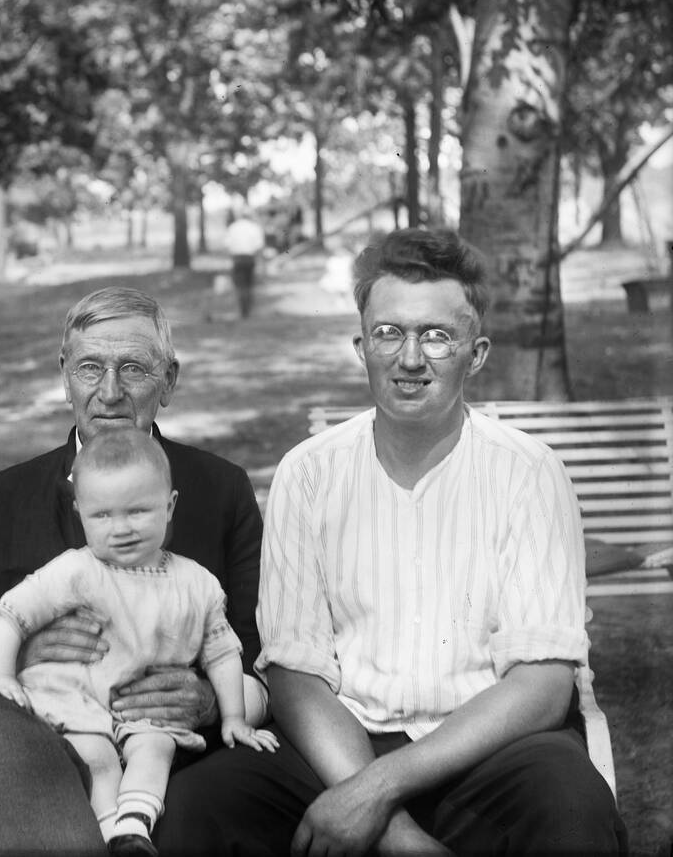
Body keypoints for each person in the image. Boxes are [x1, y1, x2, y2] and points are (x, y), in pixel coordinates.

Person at [160, 228, 627, 855]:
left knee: (572, 807)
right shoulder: (309, 472)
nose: (410, 359)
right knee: (200, 806)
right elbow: (296, 671)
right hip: (340, 743)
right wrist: (394, 831)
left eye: (436, 335)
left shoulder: (528, 471)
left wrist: (376, 796)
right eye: (389, 333)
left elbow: (542, 686)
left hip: (492, 744)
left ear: (477, 352)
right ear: (362, 346)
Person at [0, 286, 266, 855]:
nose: (109, 392)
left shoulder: (221, 490)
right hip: (30, 744)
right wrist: (14, 665)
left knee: (207, 805)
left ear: (169, 381)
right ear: (64, 376)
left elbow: (255, 653)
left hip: (169, 755)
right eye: (89, 368)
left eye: (133, 368)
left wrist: (207, 700)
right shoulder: (4, 496)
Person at [0, 430, 278, 855]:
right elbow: (10, 615)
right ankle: (108, 831)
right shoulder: (74, 571)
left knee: (156, 747)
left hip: (147, 713)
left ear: (170, 506)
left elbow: (222, 651)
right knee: (97, 758)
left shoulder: (196, 583)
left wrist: (233, 716)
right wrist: (0, 676)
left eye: (138, 511)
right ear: (79, 511)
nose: (121, 528)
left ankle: (134, 825)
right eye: (102, 516)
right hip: (77, 703)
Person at [224, 205, 265, 319]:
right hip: (249, 258)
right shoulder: (254, 227)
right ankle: (248, 310)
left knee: (240, 285)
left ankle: (243, 310)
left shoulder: (233, 227)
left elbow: (227, 246)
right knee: (249, 284)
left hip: (237, 258)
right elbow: (259, 247)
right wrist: (261, 262)